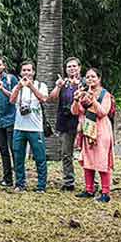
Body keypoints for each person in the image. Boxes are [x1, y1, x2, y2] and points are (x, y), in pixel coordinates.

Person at [71, 68, 115, 203]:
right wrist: (77, 100)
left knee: (102, 160)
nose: (90, 79)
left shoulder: (105, 94)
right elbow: (75, 112)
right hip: (88, 129)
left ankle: (105, 192)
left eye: (93, 77)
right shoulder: (83, 93)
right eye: (88, 77)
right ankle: (89, 189)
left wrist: (93, 99)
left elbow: (103, 113)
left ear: (99, 78)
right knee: (88, 159)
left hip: (102, 129)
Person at [9, 60, 48, 193]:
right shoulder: (17, 86)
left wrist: (31, 86)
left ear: (34, 72)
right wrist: (19, 87)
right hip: (19, 127)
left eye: (29, 70)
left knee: (40, 157)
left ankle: (41, 186)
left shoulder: (40, 85)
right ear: (20, 72)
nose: (26, 73)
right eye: (24, 70)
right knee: (18, 157)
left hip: (35, 128)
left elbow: (43, 98)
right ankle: (20, 184)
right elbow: (11, 100)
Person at [49, 56, 83, 191]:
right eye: (69, 67)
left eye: (74, 66)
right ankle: (69, 182)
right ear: (65, 69)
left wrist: (79, 87)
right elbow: (52, 98)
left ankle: (92, 183)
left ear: (79, 68)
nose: (72, 69)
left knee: (87, 154)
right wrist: (58, 86)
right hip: (65, 121)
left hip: (82, 121)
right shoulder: (63, 83)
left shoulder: (86, 82)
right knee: (66, 153)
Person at [0, 55, 19, 187]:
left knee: (14, 149)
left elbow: (15, 96)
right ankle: (7, 178)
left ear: (4, 65)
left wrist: (2, 88)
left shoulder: (11, 79)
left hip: (11, 118)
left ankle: (19, 178)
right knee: (3, 150)